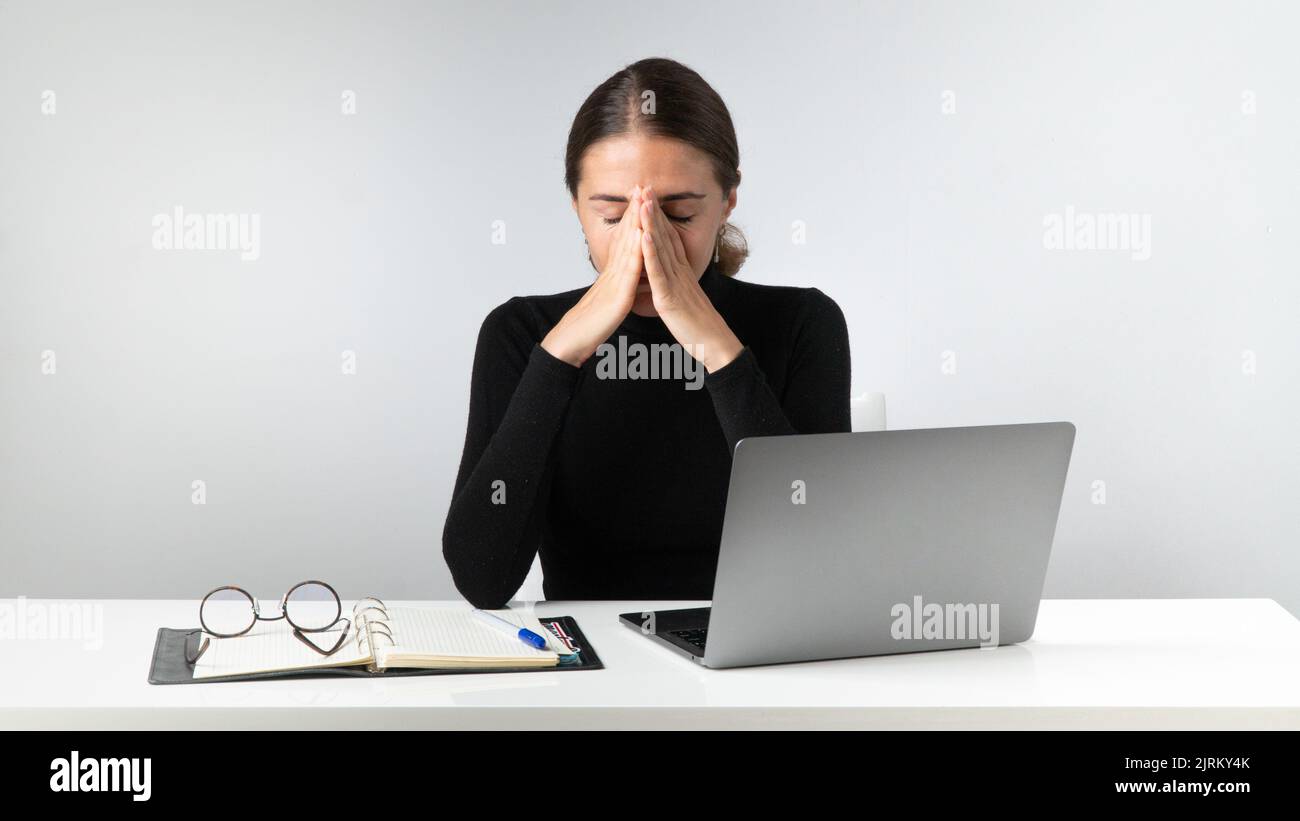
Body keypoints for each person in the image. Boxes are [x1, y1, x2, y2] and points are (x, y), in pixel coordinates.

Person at [442, 57, 851, 608]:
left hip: (756, 663)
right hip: (591, 668)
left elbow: (825, 564)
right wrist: (560, 354)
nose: (644, 239)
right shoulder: (520, 334)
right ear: (576, 207)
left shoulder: (804, 324)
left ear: (728, 200)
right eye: (613, 217)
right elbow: (481, 577)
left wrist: (715, 346)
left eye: (679, 214)